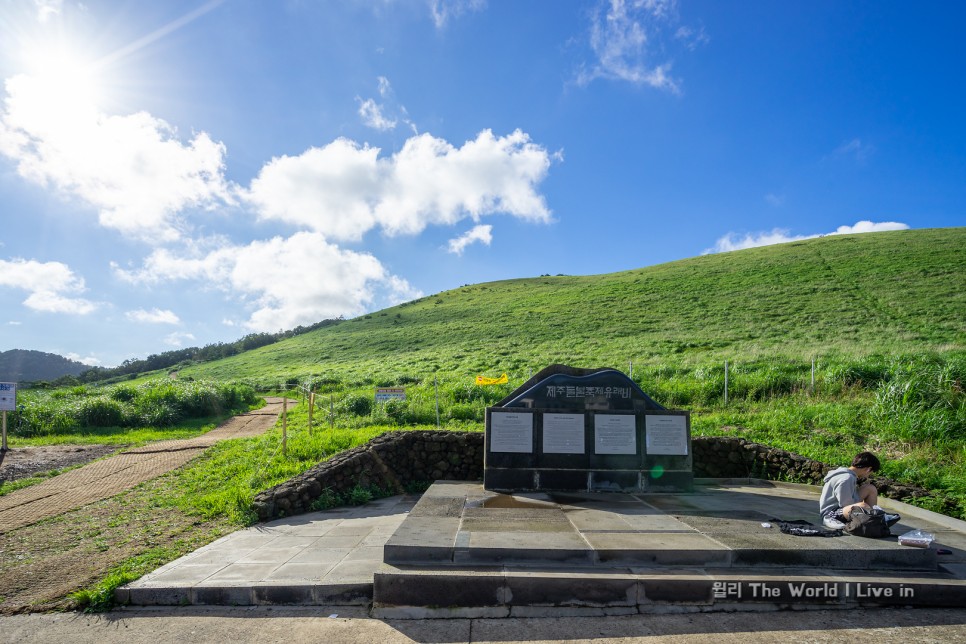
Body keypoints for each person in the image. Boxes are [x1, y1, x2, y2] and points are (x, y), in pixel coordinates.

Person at [819, 451, 900, 530]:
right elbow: (845, 504)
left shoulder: (848, 474)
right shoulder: (846, 478)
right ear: (868, 469)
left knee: (870, 489)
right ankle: (874, 517)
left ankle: (874, 517)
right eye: (871, 473)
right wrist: (864, 507)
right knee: (863, 506)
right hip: (831, 514)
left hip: (841, 508)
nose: (868, 476)